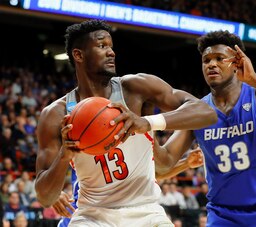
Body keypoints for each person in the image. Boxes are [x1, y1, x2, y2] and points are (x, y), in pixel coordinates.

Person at [34, 19, 217, 227]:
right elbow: (45, 197)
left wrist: (146, 122)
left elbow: (206, 112)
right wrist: (64, 156)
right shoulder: (56, 115)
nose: (111, 52)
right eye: (102, 46)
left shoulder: (135, 88)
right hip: (93, 216)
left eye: (111, 47)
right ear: (79, 55)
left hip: (146, 211)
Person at [152, 30, 256, 226]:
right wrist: (147, 127)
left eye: (220, 58)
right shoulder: (198, 111)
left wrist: (254, 78)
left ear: (235, 63)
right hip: (224, 214)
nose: (212, 64)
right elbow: (163, 164)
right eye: (206, 60)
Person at [53, 148, 204, 226]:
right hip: (85, 215)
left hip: (127, 215)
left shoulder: (129, 139)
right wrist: (53, 193)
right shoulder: (78, 137)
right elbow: (44, 173)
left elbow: (150, 175)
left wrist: (185, 163)